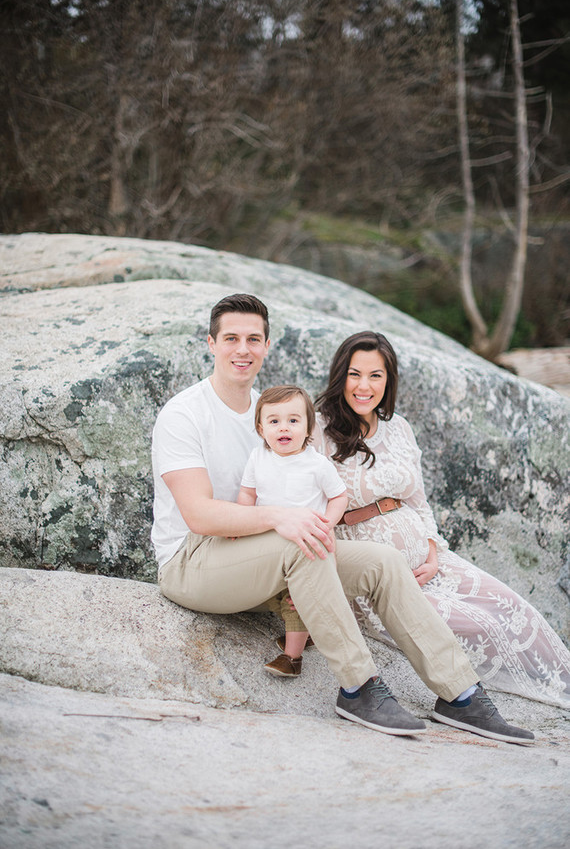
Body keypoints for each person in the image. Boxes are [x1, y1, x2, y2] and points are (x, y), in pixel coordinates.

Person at [151, 292, 534, 743]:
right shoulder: (185, 414)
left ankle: (460, 694)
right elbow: (198, 514)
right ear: (211, 343)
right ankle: (358, 687)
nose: (243, 349)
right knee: (302, 540)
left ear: (268, 346)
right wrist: (283, 519)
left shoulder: (275, 411)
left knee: (381, 562)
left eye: (254, 339)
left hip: (261, 558)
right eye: (231, 338)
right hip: (194, 562)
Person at [310, 330, 570, 710]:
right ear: (339, 377)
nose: (364, 386)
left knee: (515, 610)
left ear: (389, 380)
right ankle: (467, 697)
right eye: (354, 374)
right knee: (481, 626)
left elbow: (420, 502)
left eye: (375, 376)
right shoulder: (319, 429)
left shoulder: (399, 428)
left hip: (430, 561)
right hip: (376, 573)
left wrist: (432, 552)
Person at [238, 384, 347, 677]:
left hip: (308, 543)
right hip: (269, 539)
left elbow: (339, 496)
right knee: (273, 590)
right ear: (261, 429)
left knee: (296, 598)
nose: (283, 428)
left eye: (293, 420)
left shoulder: (316, 464)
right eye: (274, 421)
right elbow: (248, 494)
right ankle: (306, 631)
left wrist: (327, 523)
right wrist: (242, 522)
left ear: (309, 427)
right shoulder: (258, 457)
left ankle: (292, 657)